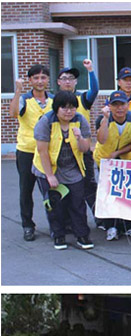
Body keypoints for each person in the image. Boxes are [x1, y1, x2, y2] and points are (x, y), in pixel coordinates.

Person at [33, 90, 93, 251]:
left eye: (72, 108)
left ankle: (82, 234)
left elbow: (85, 148)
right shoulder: (46, 122)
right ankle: (58, 235)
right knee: (55, 204)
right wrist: (50, 176)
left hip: (73, 168)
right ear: (56, 108)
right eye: (64, 108)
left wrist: (80, 137)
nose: (69, 111)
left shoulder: (80, 120)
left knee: (77, 203)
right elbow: (42, 151)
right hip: (49, 168)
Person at [9, 63, 53, 241]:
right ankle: (28, 225)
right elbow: (13, 113)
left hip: (47, 151)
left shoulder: (52, 100)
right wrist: (17, 91)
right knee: (26, 190)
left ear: (48, 80)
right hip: (27, 150)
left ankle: (56, 224)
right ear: (30, 80)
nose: (40, 81)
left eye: (43, 77)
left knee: (51, 190)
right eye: (36, 78)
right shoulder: (24, 99)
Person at [93, 90, 131, 241]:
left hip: (124, 159)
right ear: (109, 106)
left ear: (128, 105)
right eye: (115, 105)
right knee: (108, 193)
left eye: (122, 104)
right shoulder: (103, 119)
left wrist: (118, 152)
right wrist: (105, 120)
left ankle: (128, 225)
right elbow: (101, 140)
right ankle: (110, 226)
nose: (119, 108)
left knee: (127, 192)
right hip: (105, 160)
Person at [56, 61, 99, 218]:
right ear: (58, 81)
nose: (68, 81)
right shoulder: (54, 101)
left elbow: (94, 90)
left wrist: (90, 70)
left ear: (75, 82)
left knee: (89, 184)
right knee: (65, 186)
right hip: (62, 152)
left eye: (71, 78)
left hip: (83, 148)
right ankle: (67, 221)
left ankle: (99, 218)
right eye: (64, 78)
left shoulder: (83, 99)